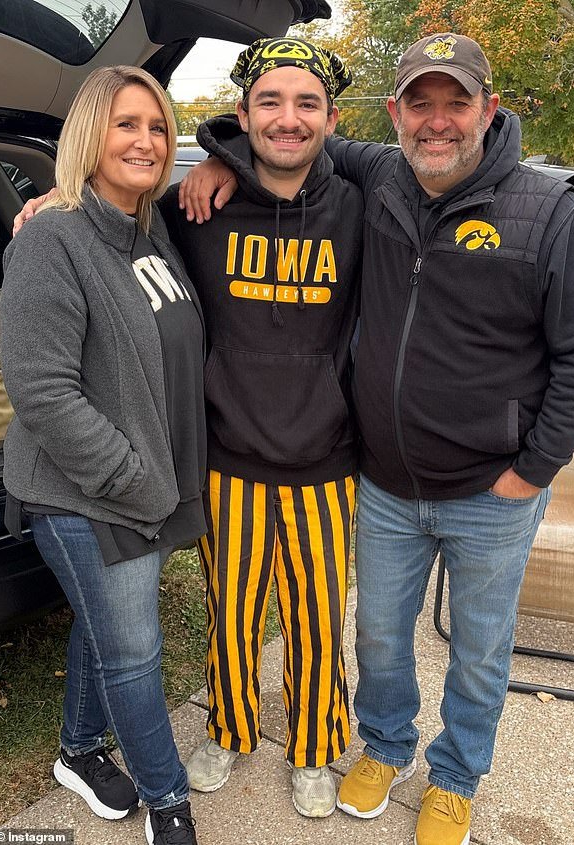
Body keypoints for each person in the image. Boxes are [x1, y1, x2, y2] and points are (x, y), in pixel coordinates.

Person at [176, 31, 574, 845]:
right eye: (423, 103)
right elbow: (277, 134)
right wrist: (217, 157)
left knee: (474, 650)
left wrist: (532, 471)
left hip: (480, 487)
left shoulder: (537, 212)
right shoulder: (377, 179)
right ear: (396, 113)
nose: (439, 121)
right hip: (374, 480)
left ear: (490, 109)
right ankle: (368, 744)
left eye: (458, 103)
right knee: (369, 634)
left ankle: (448, 775)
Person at [159, 37, 363, 819]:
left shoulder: (359, 203)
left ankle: (315, 746)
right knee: (231, 607)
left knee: (317, 616)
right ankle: (231, 726)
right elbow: (118, 236)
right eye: (270, 102)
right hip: (229, 455)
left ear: (330, 119)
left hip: (323, 455)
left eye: (307, 102)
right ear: (241, 113)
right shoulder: (195, 204)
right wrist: (54, 207)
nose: (288, 117)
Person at [2, 66, 206, 845]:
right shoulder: (53, 239)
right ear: (91, 133)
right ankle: (170, 801)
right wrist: (134, 475)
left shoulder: (148, 230)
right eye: (127, 124)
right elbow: (44, 392)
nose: (147, 141)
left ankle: (78, 751)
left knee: (105, 627)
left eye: (158, 127)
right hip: (86, 495)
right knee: (132, 653)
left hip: (143, 485)